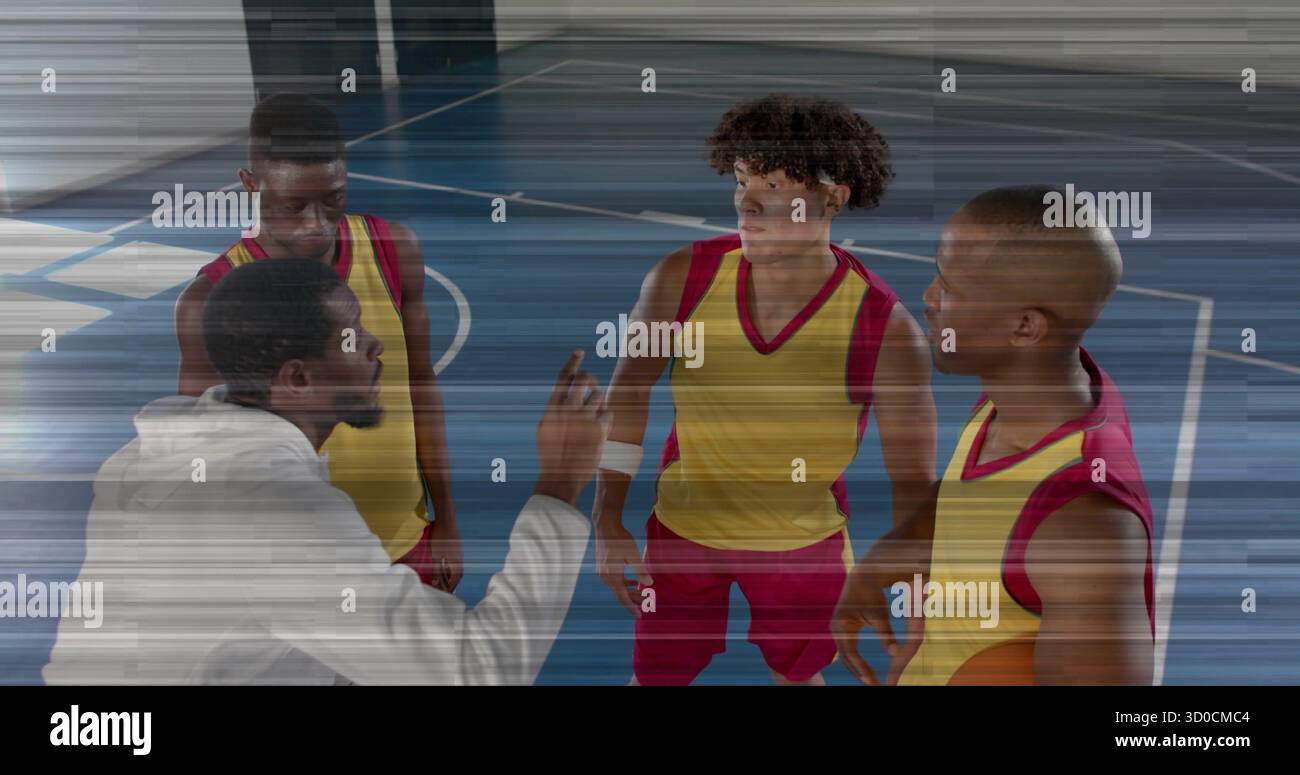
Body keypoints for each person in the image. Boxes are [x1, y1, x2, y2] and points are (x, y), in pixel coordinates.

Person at [45, 259, 608, 685]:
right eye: (350, 337)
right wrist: (560, 482)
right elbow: (482, 668)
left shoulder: (169, 444)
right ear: (296, 379)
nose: (374, 345)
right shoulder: (274, 508)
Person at [595, 95, 937, 685]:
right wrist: (607, 518)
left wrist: (922, 599)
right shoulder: (682, 278)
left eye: (774, 185)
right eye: (741, 178)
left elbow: (913, 484)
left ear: (833, 197)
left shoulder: (884, 328)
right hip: (680, 536)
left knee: (800, 677)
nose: (746, 201)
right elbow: (629, 390)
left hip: (803, 551)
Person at [832, 185, 1156, 685]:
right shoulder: (1017, 396)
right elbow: (968, 498)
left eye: (950, 287)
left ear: (1025, 327)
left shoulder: (1085, 528)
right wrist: (883, 561)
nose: (928, 298)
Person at [174, 92, 461, 589]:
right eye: (293, 206)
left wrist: (449, 522)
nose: (317, 224)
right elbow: (201, 455)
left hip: (404, 545)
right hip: (293, 574)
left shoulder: (394, 249)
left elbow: (420, 383)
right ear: (249, 185)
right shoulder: (210, 301)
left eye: (333, 200)